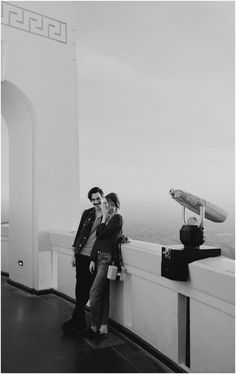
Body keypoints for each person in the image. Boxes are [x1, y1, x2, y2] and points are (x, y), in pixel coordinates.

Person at [62, 187, 104, 333]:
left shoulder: (107, 215)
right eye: (93, 200)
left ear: (102, 197)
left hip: (94, 257)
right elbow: (80, 232)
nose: (96, 202)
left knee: (88, 288)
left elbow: (112, 232)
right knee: (80, 285)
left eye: (98, 199)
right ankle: (78, 318)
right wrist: (73, 252)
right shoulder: (87, 213)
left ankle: (77, 318)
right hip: (81, 254)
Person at [87, 192, 123, 337]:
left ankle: (94, 326)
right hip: (100, 257)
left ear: (114, 204)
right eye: (105, 204)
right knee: (103, 293)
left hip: (107, 259)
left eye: (108, 204)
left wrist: (102, 219)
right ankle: (103, 326)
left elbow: (100, 233)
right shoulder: (107, 218)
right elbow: (99, 240)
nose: (105, 206)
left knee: (94, 293)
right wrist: (92, 258)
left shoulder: (117, 218)